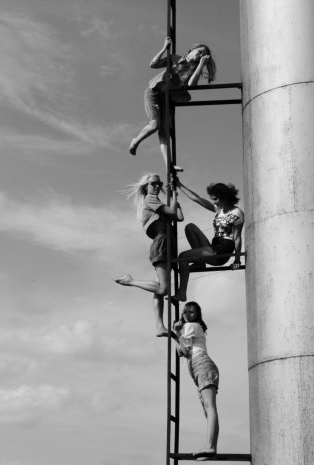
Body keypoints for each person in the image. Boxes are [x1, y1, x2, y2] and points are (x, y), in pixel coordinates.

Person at [128, 37, 217, 169]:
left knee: (164, 132)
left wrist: (201, 65)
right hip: (153, 92)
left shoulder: (194, 71)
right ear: (191, 50)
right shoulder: (175, 58)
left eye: (203, 55)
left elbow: (191, 84)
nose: (200, 56)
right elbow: (153, 64)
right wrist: (164, 47)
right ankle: (135, 141)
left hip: (167, 98)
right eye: (199, 52)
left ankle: (169, 166)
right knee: (154, 125)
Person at [115, 173, 183, 336]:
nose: (157, 185)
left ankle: (159, 326)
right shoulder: (150, 200)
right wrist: (172, 194)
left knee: (160, 288)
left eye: (159, 183)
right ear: (146, 186)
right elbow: (173, 211)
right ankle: (130, 281)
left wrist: (173, 197)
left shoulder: (156, 202)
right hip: (162, 243)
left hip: (167, 243)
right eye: (154, 183)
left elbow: (179, 216)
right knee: (163, 289)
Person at [172, 181, 243, 302]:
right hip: (214, 246)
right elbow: (197, 199)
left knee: (183, 257)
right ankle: (200, 263)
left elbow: (237, 237)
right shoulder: (219, 210)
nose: (214, 202)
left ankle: (182, 293)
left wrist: (237, 260)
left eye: (215, 199)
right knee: (190, 227)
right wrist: (179, 185)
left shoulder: (237, 213)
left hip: (222, 250)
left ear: (224, 197)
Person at [173, 301, 219, 458]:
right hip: (200, 367)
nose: (187, 315)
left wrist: (176, 333)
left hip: (201, 365)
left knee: (210, 407)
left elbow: (183, 350)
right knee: (208, 409)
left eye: (191, 312)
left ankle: (211, 446)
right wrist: (178, 334)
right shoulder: (189, 328)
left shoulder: (191, 325)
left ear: (197, 315)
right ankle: (210, 446)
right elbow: (181, 351)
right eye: (185, 312)